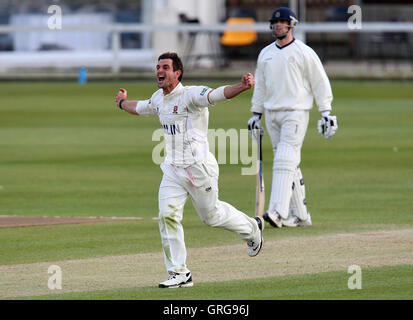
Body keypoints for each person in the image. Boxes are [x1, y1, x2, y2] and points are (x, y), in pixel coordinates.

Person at [115, 52, 264, 288]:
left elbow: (217, 93)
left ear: (177, 73)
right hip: (173, 171)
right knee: (167, 216)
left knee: (211, 216)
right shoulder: (158, 98)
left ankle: (252, 229)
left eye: (165, 67)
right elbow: (141, 107)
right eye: (157, 67)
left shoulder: (191, 95)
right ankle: (179, 272)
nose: (160, 71)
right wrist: (122, 103)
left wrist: (242, 87)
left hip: (199, 169)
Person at [247, 7, 338, 229]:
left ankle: (277, 211)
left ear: (291, 25)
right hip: (271, 113)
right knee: (289, 163)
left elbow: (320, 82)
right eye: (275, 23)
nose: (278, 25)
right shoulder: (265, 54)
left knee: (283, 159)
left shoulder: (304, 52)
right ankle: (301, 215)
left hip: (296, 112)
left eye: (283, 22)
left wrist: (326, 111)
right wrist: (255, 114)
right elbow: (261, 86)